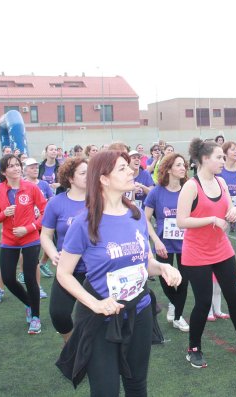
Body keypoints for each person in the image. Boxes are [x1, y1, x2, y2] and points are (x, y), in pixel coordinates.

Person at [56, 150, 181, 396]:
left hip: (140, 312)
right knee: (106, 391)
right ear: (103, 178)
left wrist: (164, 267)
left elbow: (143, 263)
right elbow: (64, 273)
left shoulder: (135, 215)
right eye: (122, 168)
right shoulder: (84, 222)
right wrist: (96, 303)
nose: (131, 171)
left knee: (136, 386)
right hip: (101, 319)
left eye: (129, 167)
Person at [177, 138, 236, 369]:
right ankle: (193, 348)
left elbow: (228, 208)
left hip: (221, 248)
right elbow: (181, 221)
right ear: (204, 159)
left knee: (234, 297)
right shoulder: (191, 186)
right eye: (219, 157)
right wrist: (212, 219)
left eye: (224, 157)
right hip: (196, 252)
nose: (223, 160)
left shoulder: (222, 182)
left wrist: (233, 210)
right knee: (203, 302)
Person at [0, 154, 48, 334]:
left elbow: (46, 211)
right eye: (11, 166)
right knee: (8, 278)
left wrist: (30, 227)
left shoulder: (31, 187)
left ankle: (36, 318)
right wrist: (4, 214)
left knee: (30, 277)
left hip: (30, 238)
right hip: (9, 240)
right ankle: (29, 304)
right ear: (3, 171)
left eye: (17, 165)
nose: (16, 168)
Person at [40, 157, 88, 342]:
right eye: (83, 173)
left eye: (89, 172)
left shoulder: (100, 199)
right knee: (59, 315)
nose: (88, 176)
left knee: (97, 316)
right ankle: (71, 345)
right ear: (70, 177)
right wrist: (53, 254)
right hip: (68, 270)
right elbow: (45, 235)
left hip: (95, 269)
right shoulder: (56, 202)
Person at [144, 153, 190, 332]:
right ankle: (174, 304)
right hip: (164, 244)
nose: (183, 168)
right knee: (166, 280)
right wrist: (156, 241)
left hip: (186, 244)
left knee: (184, 281)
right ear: (169, 169)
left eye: (184, 165)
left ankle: (178, 316)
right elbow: (146, 219)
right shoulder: (156, 192)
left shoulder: (188, 189)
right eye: (178, 165)